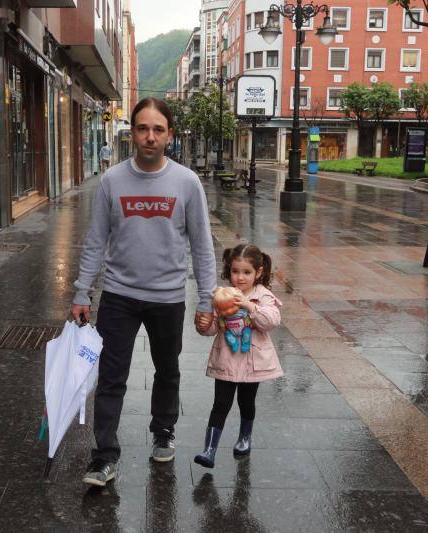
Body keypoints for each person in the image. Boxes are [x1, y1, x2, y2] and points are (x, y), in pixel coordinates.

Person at [71, 97, 216, 487]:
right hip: (118, 296)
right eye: (142, 128)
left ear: (169, 135)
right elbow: (95, 240)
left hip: (168, 297)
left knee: (167, 371)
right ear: (131, 131)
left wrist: (207, 298)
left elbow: (202, 245)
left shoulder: (186, 182)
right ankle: (103, 457)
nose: (149, 137)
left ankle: (163, 430)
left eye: (158, 129)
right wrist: (82, 292)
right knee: (112, 377)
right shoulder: (112, 180)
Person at [194, 244, 283, 469]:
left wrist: (250, 307)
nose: (240, 278)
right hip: (226, 358)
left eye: (246, 272)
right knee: (220, 403)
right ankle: (210, 449)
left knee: (246, 401)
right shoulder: (223, 295)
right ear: (228, 271)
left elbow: (271, 322)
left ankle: (245, 437)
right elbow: (214, 326)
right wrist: (204, 324)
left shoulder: (263, 296)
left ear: (258, 272)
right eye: (235, 272)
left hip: (253, 362)